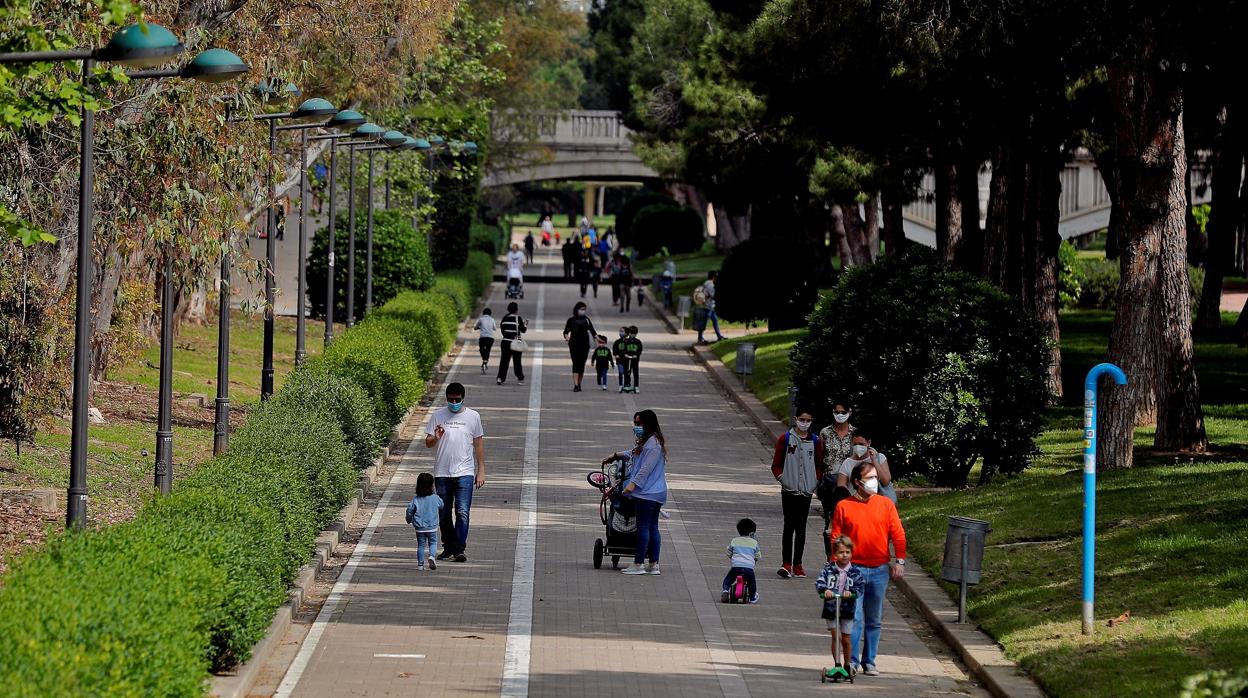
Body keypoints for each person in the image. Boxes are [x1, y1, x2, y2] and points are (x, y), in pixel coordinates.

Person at [830, 461, 907, 676]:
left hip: (879, 570)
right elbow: (836, 537)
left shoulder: (885, 504)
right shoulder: (844, 506)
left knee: (874, 618)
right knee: (854, 617)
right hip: (853, 571)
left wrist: (900, 561)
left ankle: (870, 661)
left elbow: (898, 534)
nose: (874, 482)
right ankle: (852, 661)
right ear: (857, 482)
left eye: (875, 477)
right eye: (870, 478)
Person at [601, 410, 668, 575]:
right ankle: (653, 564)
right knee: (652, 527)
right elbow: (634, 454)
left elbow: (645, 469)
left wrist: (631, 485)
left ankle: (638, 564)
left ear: (648, 424)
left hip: (647, 493)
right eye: (635, 424)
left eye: (639, 424)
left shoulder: (653, 445)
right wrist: (616, 455)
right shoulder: (649, 442)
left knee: (644, 527)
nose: (636, 427)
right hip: (655, 493)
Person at [425, 383, 486, 563]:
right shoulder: (438, 416)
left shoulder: (473, 416)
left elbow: (479, 444)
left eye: (457, 400)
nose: (453, 402)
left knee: (462, 511)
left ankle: (459, 548)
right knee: (444, 513)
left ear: (463, 398)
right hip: (442, 473)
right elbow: (428, 443)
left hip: (465, 472)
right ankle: (448, 547)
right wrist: (435, 437)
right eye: (450, 399)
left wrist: (481, 470)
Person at [771, 408, 825, 578]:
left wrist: (814, 482)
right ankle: (786, 563)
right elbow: (776, 463)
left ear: (811, 421)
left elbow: (819, 463)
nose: (804, 423)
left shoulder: (815, 441)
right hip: (789, 489)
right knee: (789, 526)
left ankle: (798, 563)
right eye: (801, 419)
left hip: (806, 491)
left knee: (801, 527)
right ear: (795, 419)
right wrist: (783, 478)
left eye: (807, 420)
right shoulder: (785, 439)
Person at [816, 535, 866, 679]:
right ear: (835, 554)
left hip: (847, 608)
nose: (844, 555)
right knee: (835, 636)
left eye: (847, 552)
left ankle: (847, 663)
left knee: (845, 638)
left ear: (851, 553)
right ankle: (837, 664)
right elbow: (820, 582)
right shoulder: (828, 570)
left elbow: (860, 586)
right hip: (831, 607)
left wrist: (852, 593)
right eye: (841, 552)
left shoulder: (855, 572)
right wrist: (825, 590)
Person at [817, 402, 856, 556]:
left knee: (850, 521)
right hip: (829, 482)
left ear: (850, 412)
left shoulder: (855, 433)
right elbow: (820, 458)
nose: (840, 414)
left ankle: (847, 555)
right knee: (830, 520)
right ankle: (830, 558)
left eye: (843, 411)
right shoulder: (825, 433)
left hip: (850, 484)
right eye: (836, 411)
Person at [836, 431, 896, 504]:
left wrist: (874, 461)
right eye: (855, 444)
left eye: (861, 444)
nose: (858, 447)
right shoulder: (847, 463)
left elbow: (886, 481)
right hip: (855, 503)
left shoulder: (880, 458)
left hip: (877, 503)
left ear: (868, 443)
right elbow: (841, 487)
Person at [404, 472, 444, 570]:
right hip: (432, 526)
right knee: (433, 543)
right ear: (432, 486)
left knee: (421, 545)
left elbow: (410, 510)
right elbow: (442, 505)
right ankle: (431, 556)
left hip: (419, 527)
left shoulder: (416, 499)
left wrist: (409, 520)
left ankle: (420, 565)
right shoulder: (435, 498)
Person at [721, 518, 762, 604]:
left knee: (728, 579)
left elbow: (729, 553)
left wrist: (732, 557)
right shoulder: (754, 542)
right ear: (752, 533)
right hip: (749, 568)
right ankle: (752, 597)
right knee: (752, 582)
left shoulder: (734, 540)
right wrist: (755, 559)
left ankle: (725, 590)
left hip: (736, 566)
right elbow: (758, 556)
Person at [562, 301, 597, 392]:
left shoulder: (587, 320)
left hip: (585, 344)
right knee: (576, 363)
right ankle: (576, 385)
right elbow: (566, 331)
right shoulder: (571, 320)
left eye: (584, 309)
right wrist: (567, 337)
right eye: (582, 309)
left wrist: (598, 339)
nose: (583, 311)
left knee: (582, 365)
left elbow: (593, 331)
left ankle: (579, 383)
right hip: (574, 344)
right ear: (577, 309)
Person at [496, 301, 527, 385]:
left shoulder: (504, 318)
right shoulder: (518, 318)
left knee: (504, 361)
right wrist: (525, 325)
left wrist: (507, 336)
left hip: (505, 342)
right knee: (517, 361)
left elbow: (502, 330)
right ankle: (520, 378)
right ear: (516, 309)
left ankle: (500, 378)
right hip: (515, 343)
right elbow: (523, 330)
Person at [697, 271, 726, 344]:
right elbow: (713, 295)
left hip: (710, 307)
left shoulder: (707, 284)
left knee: (715, 321)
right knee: (704, 323)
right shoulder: (710, 285)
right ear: (713, 277)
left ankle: (719, 336)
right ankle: (700, 338)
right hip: (708, 307)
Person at [473, 308, 497, 374]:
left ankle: (484, 361)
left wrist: (479, 327)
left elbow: (475, 328)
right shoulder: (492, 319)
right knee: (488, 350)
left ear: (483, 313)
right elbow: (495, 328)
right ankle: (485, 362)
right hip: (490, 338)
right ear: (490, 313)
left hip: (483, 338)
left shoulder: (481, 319)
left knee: (481, 350)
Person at [620, 326, 643, 394]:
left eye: (634, 334)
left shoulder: (638, 342)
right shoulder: (626, 341)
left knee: (635, 372)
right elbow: (623, 349)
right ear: (628, 333)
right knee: (626, 372)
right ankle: (627, 384)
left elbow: (639, 349)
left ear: (636, 334)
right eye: (631, 333)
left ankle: (636, 386)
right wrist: (625, 354)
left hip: (635, 360)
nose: (632, 335)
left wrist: (636, 355)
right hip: (626, 359)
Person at [613, 326, 629, 391]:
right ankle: (620, 385)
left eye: (622, 331)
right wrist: (616, 354)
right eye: (620, 331)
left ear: (627, 333)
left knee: (626, 373)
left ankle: (626, 385)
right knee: (620, 372)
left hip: (626, 360)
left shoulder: (628, 341)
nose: (620, 333)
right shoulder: (617, 342)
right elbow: (614, 349)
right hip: (619, 360)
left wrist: (629, 355)